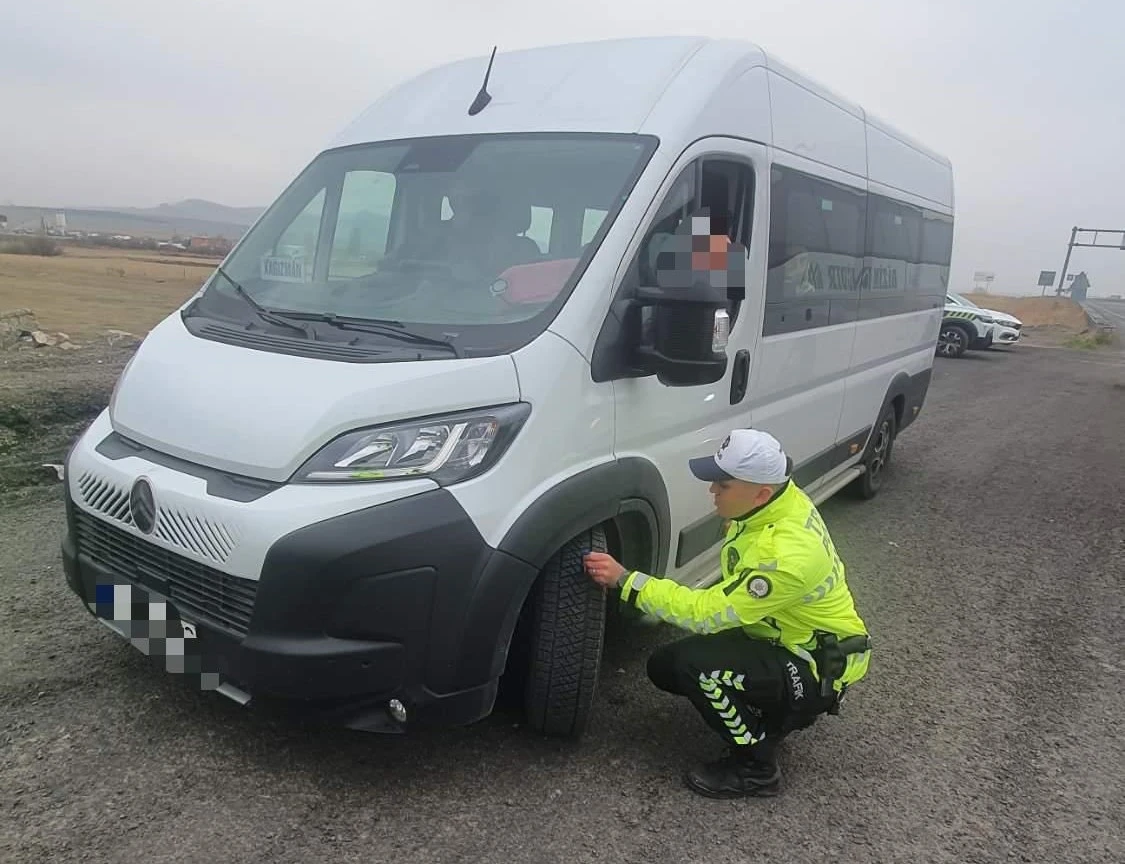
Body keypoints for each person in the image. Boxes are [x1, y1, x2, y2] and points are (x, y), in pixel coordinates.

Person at [583, 428, 872, 799]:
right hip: (782, 635)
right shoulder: (776, 503)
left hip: (817, 663)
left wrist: (625, 581)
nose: (712, 491)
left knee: (699, 669)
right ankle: (772, 712)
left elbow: (706, 613)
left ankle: (757, 767)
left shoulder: (785, 557)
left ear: (760, 493)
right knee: (664, 666)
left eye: (722, 485)